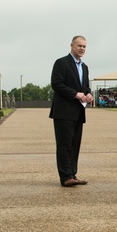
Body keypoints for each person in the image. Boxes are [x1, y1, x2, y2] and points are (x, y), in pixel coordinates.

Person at [50, 35, 94, 187]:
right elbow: (56, 84)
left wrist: (88, 94)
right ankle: (65, 176)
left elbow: (85, 87)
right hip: (63, 111)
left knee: (75, 144)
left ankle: (73, 174)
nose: (82, 49)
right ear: (72, 46)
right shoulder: (61, 63)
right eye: (79, 46)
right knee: (64, 144)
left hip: (78, 111)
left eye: (84, 46)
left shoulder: (85, 67)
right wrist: (75, 94)